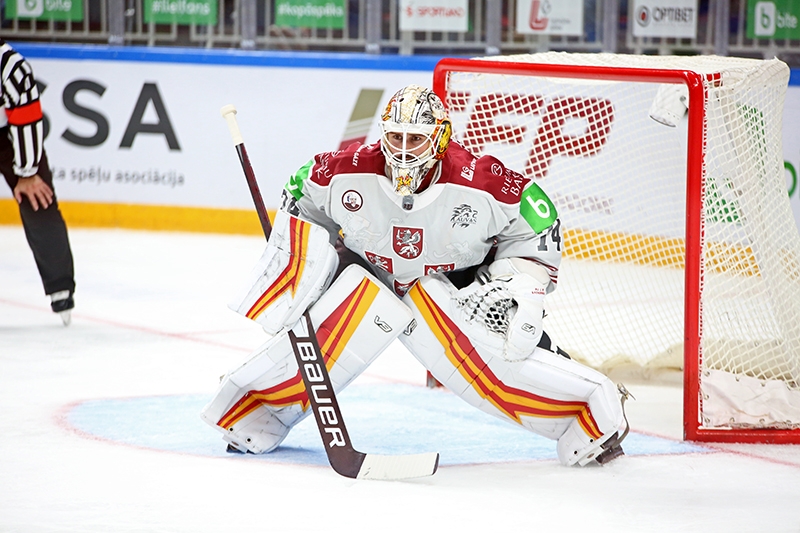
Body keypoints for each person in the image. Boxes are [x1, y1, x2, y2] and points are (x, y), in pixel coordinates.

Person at [201, 85, 629, 466]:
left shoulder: (479, 179)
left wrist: (520, 284)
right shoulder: (345, 171)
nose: (404, 151)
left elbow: (537, 216)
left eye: (416, 139)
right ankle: (253, 415)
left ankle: (591, 414)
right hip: (372, 270)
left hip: (457, 285)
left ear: (440, 139)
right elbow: (301, 194)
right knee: (342, 310)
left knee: (507, 353)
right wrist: (302, 264)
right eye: (395, 137)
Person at [1, 39, 75, 325]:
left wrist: (28, 172)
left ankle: (60, 288)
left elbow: (27, 120)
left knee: (37, 198)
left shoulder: (10, 67)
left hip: (10, 137)